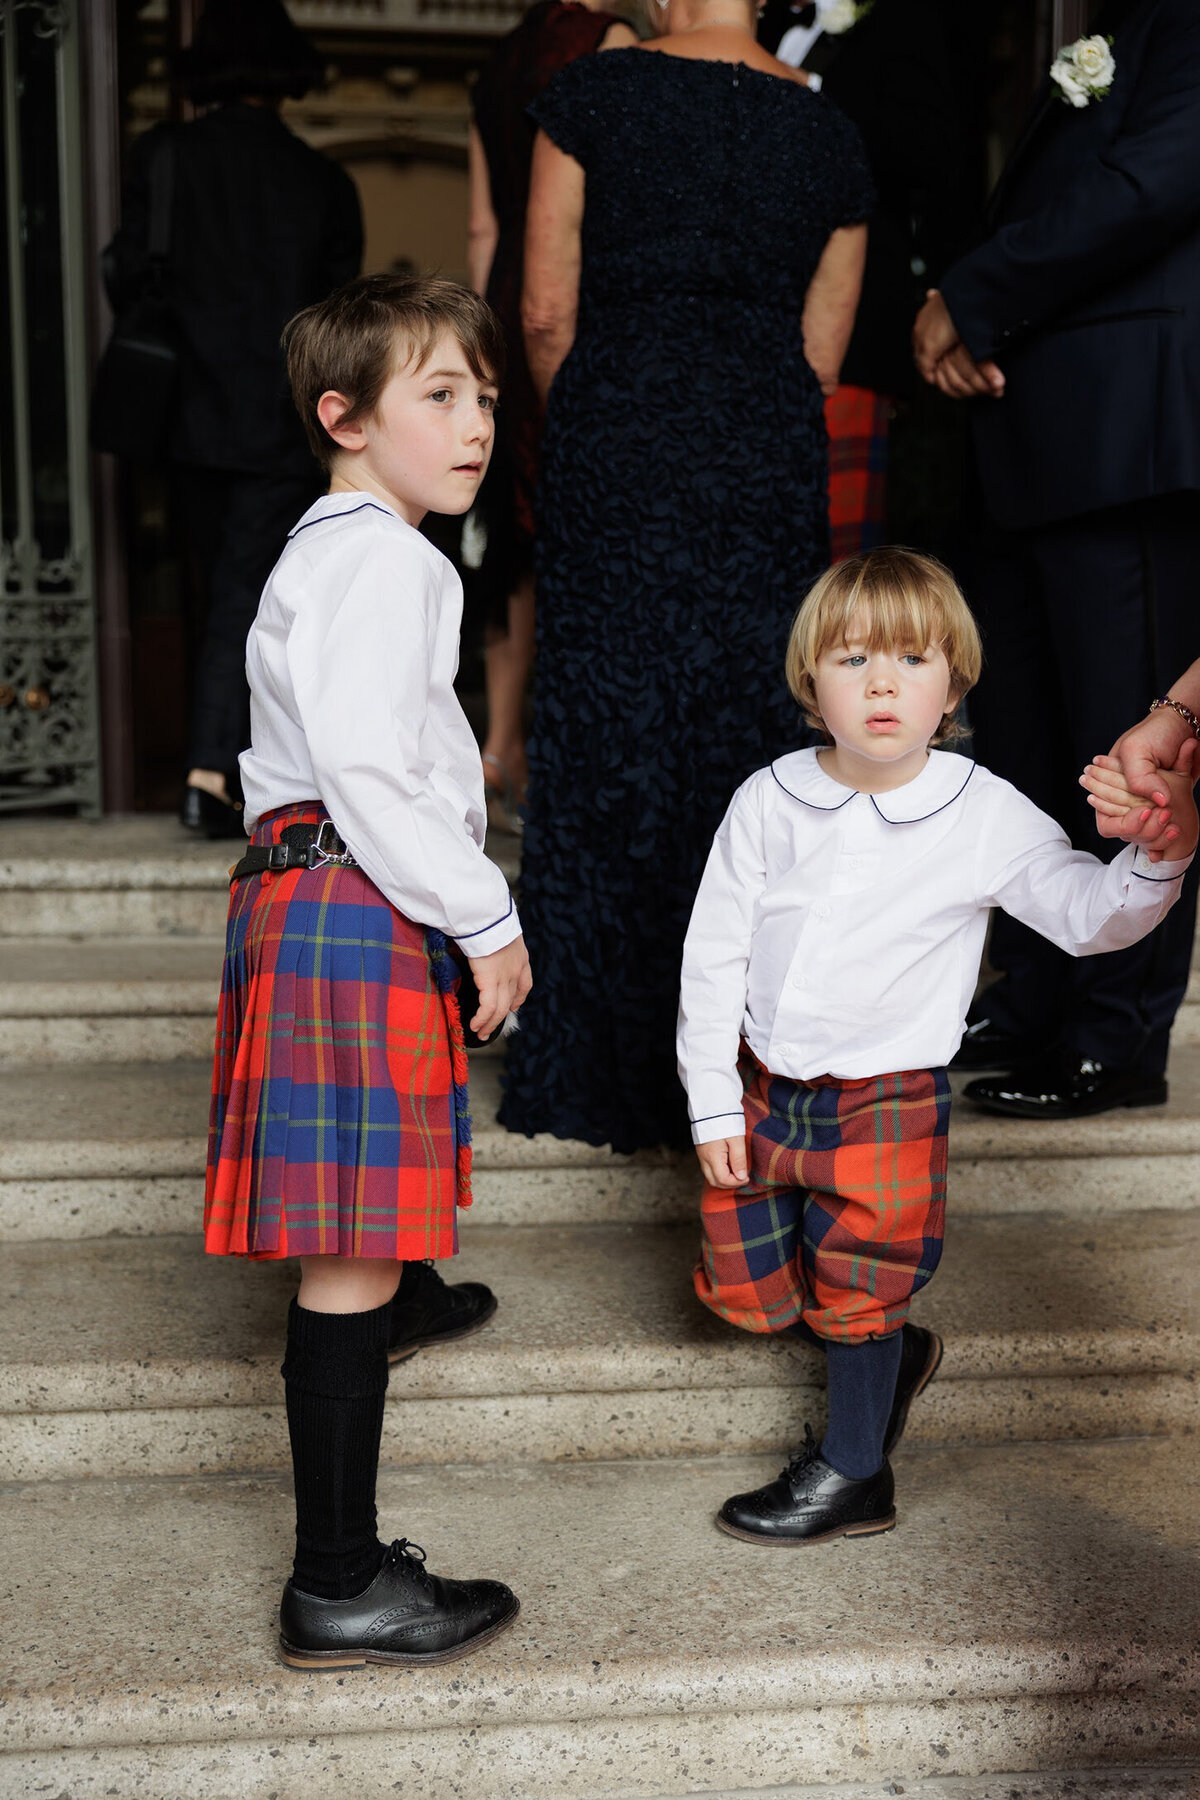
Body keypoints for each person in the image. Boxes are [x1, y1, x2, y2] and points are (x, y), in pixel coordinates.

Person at [677, 547, 1195, 1544]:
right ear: (810, 683)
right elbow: (713, 955)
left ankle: (854, 1472)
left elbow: (1088, 915)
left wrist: (1156, 855)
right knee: (755, 1285)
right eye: (853, 659)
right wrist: (710, 1100)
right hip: (764, 1086)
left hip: (887, 1101)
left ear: (952, 686)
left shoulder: (981, 809)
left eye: (912, 660)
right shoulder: (767, 799)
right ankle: (893, 1356)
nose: (882, 684)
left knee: (860, 1281)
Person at [204, 274, 532, 1667]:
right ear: (344, 418)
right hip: (349, 891)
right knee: (342, 1253)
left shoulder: (344, 547)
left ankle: (405, 1291)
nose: (477, 426)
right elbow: (367, 766)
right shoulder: (386, 559)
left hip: (318, 891)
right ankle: (338, 1582)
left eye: (488, 398)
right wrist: (486, 915)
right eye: (440, 396)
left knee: (365, 1222)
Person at [498, 0, 874, 1153]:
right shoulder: (829, 131)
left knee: (606, 727)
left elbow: (544, 313)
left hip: (618, 434)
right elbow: (822, 355)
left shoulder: (589, 97)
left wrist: (601, 425)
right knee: (743, 735)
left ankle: (587, 1060)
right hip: (762, 450)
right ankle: (728, 1057)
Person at [911, 0, 1200, 1118]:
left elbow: (1156, 181)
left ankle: (1116, 1034)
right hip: (1035, 428)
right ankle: (1033, 994)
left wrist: (973, 297)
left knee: (1128, 746)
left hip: (1131, 434)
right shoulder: (1129, 14)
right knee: (1028, 743)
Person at [104, 0, 363, 837]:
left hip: (184, 417)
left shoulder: (165, 157)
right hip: (283, 425)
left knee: (211, 588)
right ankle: (211, 774)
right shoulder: (322, 181)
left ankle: (210, 769)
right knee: (247, 598)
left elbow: (126, 275)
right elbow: (341, 323)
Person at [467, 0, 637, 827]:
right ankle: (558, 756)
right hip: (579, 308)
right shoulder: (615, 44)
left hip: (501, 307)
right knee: (577, 536)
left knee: (511, 543)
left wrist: (479, 351)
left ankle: (499, 745)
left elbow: (482, 228)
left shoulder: (496, 63)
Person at [757, 0, 975, 557]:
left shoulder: (903, 20)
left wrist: (813, 90)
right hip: (749, 329)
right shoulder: (764, 21)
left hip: (851, 329)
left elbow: (933, 155)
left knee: (834, 555)